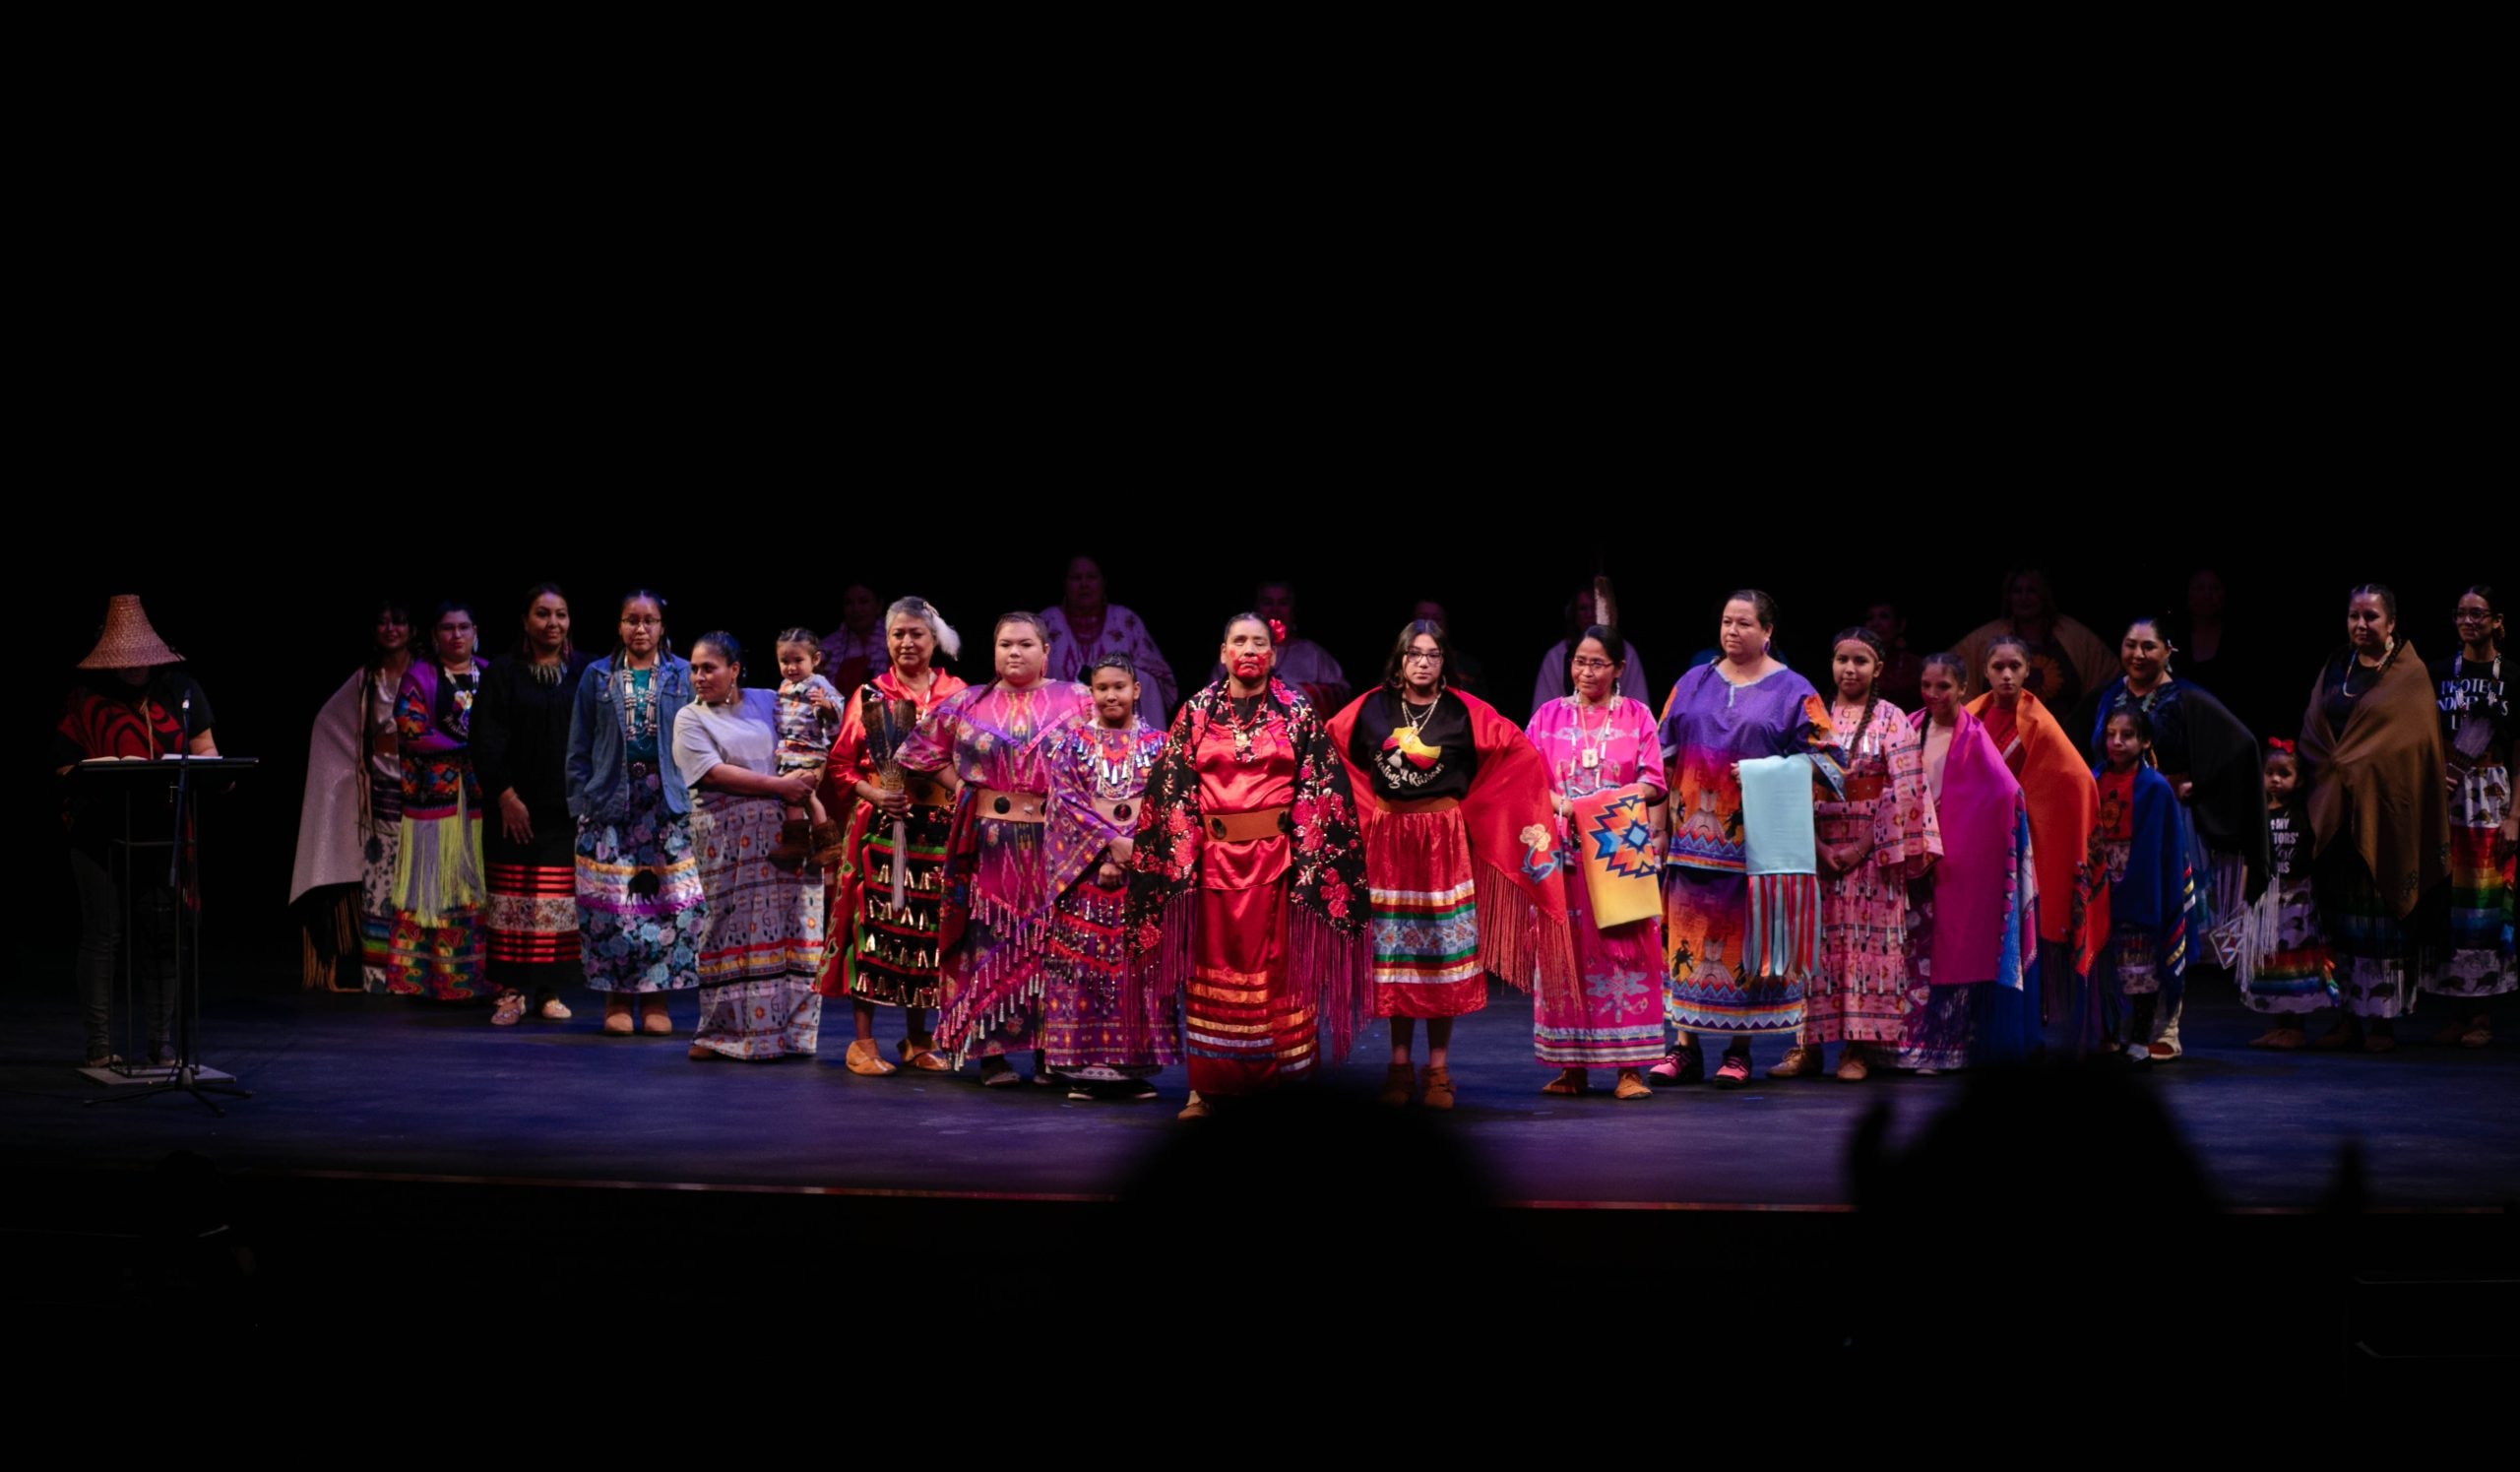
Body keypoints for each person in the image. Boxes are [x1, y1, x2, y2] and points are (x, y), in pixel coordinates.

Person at [1128, 612, 1372, 1120]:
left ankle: (1286, 1084)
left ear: (1273, 654)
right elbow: (1172, 790)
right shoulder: (1196, 712)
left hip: (1280, 866)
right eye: (1238, 641)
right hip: (1214, 865)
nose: (1248, 650)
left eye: (1258, 642)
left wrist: (1308, 860)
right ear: (1222, 653)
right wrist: (1183, 857)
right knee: (1209, 974)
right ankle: (1207, 1087)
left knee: (1280, 977)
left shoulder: (1296, 712)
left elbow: (1322, 789)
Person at [1329, 619, 1570, 1109]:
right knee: (1396, 963)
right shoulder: (1371, 708)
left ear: (1444, 662)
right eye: (1414, 653)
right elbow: (1329, 750)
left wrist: (1475, 812)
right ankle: (1398, 1065)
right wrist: (1363, 808)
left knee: (1441, 962)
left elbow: (1518, 753)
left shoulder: (1465, 711)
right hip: (1388, 847)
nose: (1422, 661)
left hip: (1442, 846)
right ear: (1399, 661)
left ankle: (1437, 1069)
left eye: (1432, 654)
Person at [1652, 591, 1849, 1087]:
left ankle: (1739, 1052)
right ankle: (1684, 1048)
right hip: (1691, 845)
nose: (1732, 632)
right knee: (1686, 943)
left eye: (1743, 624)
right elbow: (1660, 757)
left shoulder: (1793, 689)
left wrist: (1767, 771)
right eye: (1725, 622)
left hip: (1754, 847)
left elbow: (1832, 765)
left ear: (1767, 633)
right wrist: (1658, 826)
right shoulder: (1692, 683)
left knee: (1742, 947)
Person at [902, 612, 1093, 1084]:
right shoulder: (969, 701)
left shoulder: (1078, 698)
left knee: (1054, 946)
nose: (1014, 652)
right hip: (990, 841)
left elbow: (1113, 749)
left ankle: (1052, 1053)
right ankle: (991, 1054)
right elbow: (917, 753)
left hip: (1057, 843)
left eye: (1026, 644)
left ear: (1046, 652)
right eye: (1005, 643)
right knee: (990, 941)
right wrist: (965, 789)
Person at [2084, 615, 2269, 1045]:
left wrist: (2195, 784)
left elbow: (2241, 745)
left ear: (2169, 651)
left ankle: (2169, 1025)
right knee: (2119, 931)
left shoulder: (2185, 698)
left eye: (2149, 646)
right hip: (2115, 829)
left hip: (2166, 822)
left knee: (2168, 916)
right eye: (2130, 645)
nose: (2137, 654)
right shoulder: (2110, 696)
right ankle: (2120, 1025)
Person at [55, 596, 219, 1068]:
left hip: (162, 833)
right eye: (122, 659)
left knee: (162, 937)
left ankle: (161, 1045)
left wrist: (200, 766)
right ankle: (100, 1047)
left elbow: (207, 750)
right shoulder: (84, 699)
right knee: (102, 936)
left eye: (139, 657)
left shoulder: (181, 689)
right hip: (98, 835)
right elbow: (63, 765)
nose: (132, 667)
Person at [1773, 627, 1939, 1081]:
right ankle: (1805, 1047)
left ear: (1878, 669)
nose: (1850, 669)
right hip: (1817, 849)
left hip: (1873, 854)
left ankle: (1858, 1049)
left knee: (1865, 951)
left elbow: (1906, 792)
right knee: (1815, 948)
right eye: (1842, 659)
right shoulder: (1813, 715)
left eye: (1860, 661)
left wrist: (1861, 848)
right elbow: (1792, 783)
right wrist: (1821, 847)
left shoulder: (1892, 719)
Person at [818, 596, 970, 1076]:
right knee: (874, 930)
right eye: (898, 634)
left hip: (938, 830)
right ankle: (862, 1042)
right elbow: (840, 767)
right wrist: (877, 793)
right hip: (880, 827)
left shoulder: (957, 692)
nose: (907, 642)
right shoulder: (871, 693)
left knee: (924, 931)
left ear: (934, 640)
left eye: (916, 634)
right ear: (887, 640)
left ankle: (918, 1038)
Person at [2299, 584, 2448, 1055]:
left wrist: (2363, 768)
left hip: (2386, 815)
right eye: (2353, 616)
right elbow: (2314, 730)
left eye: (2371, 617)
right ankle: (2347, 1019)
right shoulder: (2336, 665)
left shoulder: (2409, 674)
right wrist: (2336, 769)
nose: (2360, 625)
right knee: (2340, 919)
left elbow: (2410, 745)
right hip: (2336, 810)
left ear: (2391, 624)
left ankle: (2382, 1022)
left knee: (2380, 920)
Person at [1526, 624, 1667, 1098]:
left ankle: (1630, 1069)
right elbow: (1527, 778)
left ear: (1618, 668)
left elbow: (1653, 782)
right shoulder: (1547, 717)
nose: (1587, 671)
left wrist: (1610, 801)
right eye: (1580, 662)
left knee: (1625, 956)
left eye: (1597, 663)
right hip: (1563, 854)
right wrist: (1564, 805)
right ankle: (1572, 1067)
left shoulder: (1637, 716)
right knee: (1565, 958)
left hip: (1620, 851)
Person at [673, 632, 823, 1060]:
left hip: (785, 833)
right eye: (695, 669)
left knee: (795, 927)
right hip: (727, 837)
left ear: (734, 670)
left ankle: (790, 1035)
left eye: (709, 668)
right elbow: (713, 773)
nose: (700, 677)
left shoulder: (765, 700)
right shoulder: (690, 717)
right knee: (728, 926)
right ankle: (721, 1032)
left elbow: (806, 725)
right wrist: (782, 786)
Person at [566, 589, 704, 1037]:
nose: (640, 629)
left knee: (666, 906)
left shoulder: (684, 675)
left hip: (666, 804)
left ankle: (656, 1000)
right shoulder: (597, 675)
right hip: (611, 802)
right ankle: (616, 1001)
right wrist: (580, 802)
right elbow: (579, 746)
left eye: (649, 620)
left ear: (663, 626)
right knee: (612, 908)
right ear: (619, 625)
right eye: (631, 620)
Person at [1040, 654, 1176, 1099]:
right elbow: (1065, 804)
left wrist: (1132, 853)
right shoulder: (1071, 744)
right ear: (1091, 693)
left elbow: (1169, 806)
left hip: (1139, 878)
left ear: (1136, 691)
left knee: (1134, 971)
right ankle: (1083, 1068)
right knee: (1084, 971)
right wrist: (1107, 851)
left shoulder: (1160, 746)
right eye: (1102, 688)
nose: (1111, 695)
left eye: (1120, 686)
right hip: (1086, 877)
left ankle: (1132, 1067)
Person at [1893, 652, 2036, 1073]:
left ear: (1963, 690)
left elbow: (2008, 794)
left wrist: (1962, 831)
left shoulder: (1972, 736)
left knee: (1953, 949)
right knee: (1912, 952)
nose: (1934, 694)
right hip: (1911, 857)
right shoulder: (1910, 726)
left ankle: (1946, 1048)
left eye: (1943, 687)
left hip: (1956, 859)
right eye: (1927, 685)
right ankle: (1904, 1045)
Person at [1967, 634, 2109, 1055]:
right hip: (1977, 843)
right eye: (1998, 667)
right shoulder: (1972, 717)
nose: (2006, 675)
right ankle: (1976, 1025)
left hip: (2022, 848)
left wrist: (2029, 817)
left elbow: (2076, 781)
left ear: (2029, 672)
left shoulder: (2041, 724)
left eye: (2015, 667)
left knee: (2017, 934)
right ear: (1985, 671)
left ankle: (2019, 1027)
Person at [471, 583, 591, 1025]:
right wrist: (504, 795)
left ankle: (548, 990)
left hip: (564, 811)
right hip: (512, 809)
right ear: (525, 621)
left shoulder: (585, 671)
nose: (552, 623)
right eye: (542, 614)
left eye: (560, 614)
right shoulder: (503, 672)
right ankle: (509, 991)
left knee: (554, 905)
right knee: (511, 899)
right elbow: (484, 740)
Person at [290, 601, 410, 992]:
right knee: (381, 887)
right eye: (382, 622)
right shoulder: (368, 679)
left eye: (399, 621)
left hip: (426, 795)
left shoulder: (426, 674)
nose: (391, 629)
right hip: (382, 798)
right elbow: (329, 722)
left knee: (417, 888)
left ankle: (418, 970)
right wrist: (359, 766)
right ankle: (379, 975)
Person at [386, 602, 493, 1002]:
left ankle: (473, 978)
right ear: (435, 636)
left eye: (464, 627)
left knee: (473, 890)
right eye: (447, 628)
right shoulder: (420, 675)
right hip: (434, 804)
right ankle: (421, 979)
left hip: (481, 802)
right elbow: (410, 729)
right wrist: (471, 747)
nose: (456, 635)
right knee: (430, 890)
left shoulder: (490, 672)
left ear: (475, 630)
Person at [2424, 584, 2514, 1044]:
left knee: (2483, 903)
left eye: (2478, 614)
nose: (2468, 622)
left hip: (2492, 793)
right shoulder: (2439, 673)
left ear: (2498, 620)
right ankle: (2456, 1008)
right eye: (2461, 614)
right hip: (2446, 794)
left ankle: (2482, 1014)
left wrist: (2516, 815)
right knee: (2451, 899)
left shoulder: (2511, 677)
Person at [2093, 708, 2193, 1061]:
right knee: (2107, 968)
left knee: (2142, 968)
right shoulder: (2094, 779)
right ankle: (2109, 1034)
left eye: (2127, 735)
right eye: (2111, 734)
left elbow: (2164, 847)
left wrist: (2141, 884)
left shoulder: (2155, 788)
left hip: (2140, 882)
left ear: (2145, 741)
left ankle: (2139, 1037)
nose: (2117, 741)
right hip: (2103, 878)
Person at [2237, 739, 2331, 1046]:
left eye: (2284, 773)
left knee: (2294, 963)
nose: (2275, 779)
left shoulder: (2305, 811)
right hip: (2268, 900)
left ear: (2299, 779)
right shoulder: (2258, 813)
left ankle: (2296, 1028)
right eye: (2269, 772)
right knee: (2271, 962)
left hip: (2296, 900)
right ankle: (2279, 1024)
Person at [1951, 568, 2116, 716]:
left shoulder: (2075, 636)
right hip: (1999, 738)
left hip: (2062, 737)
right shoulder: (1984, 638)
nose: (2024, 597)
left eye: (2031, 591)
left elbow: (2109, 675)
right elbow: (1952, 669)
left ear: (2044, 595)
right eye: (2017, 591)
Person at [1040, 555, 1177, 719]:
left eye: (1091, 577)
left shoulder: (1125, 620)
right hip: (1059, 722)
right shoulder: (1047, 621)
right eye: (1076, 578)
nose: (1084, 584)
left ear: (1103, 582)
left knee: (1147, 679)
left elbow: (1159, 674)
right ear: (1065, 583)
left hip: (1121, 721)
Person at [769, 628, 844, 870]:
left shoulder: (817, 683)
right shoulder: (784, 686)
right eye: (785, 661)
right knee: (806, 797)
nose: (791, 667)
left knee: (794, 795)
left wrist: (827, 706)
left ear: (816, 659)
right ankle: (827, 844)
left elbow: (837, 709)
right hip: (790, 752)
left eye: (798, 660)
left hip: (810, 751)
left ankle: (797, 844)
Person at [1212, 580, 1349, 711]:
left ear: (1293, 609)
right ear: (1256, 608)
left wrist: (1306, 693)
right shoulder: (1236, 652)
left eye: (1283, 603)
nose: (1275, 610)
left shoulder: (1312, 654)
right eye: (1267, 603)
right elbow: (1213, 697)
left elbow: (1343, 694)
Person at [1532, 580, 1653, 719]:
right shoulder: (1556, 656)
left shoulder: (1625, 651)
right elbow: (1543, 711)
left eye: (1594, 608)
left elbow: (1639, 703)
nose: (1589, 614)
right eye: (1583, 608)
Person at [819, 583, 887, 695]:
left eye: (863, 601)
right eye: (849, 603)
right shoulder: (827, 647)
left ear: (879, 606)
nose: (856, 609)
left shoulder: (895, 642)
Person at [1863, 601, 1925, 712]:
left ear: (1901, 625)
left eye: (1884, 617)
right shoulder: (1856, 664)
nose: (1875, 624)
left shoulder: (1915, 665)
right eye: (1870, 618)